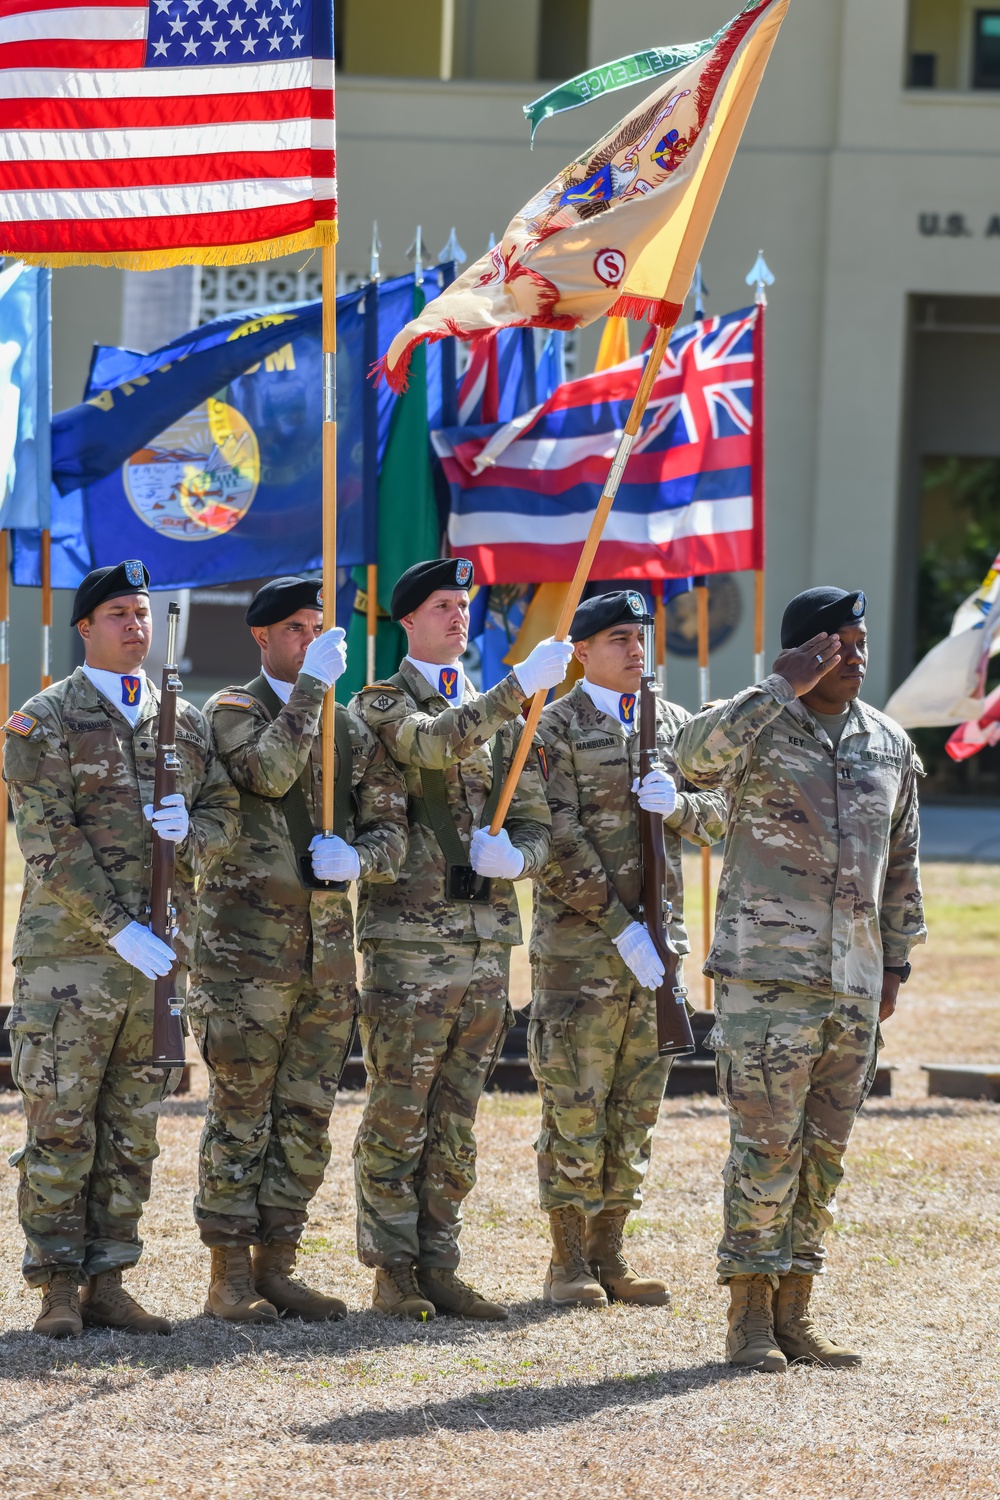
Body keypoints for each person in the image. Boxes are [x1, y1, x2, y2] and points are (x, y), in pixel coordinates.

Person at [673, 586, 926, 1372]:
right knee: (764, 1147)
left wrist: (895, 960)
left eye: (858, 643)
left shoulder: (888, 743)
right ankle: (748, 1314)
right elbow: (689, 761)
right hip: (767, 979)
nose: (852, 657)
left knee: (824, 1153)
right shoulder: (756, 725)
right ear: (800, 652)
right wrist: (779, 685)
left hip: (852, 981)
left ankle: (795, 1311)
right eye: (835, 644)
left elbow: (903, 864)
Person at [2, 561, 240, 1339]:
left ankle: (110, 1277)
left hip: (158, 961)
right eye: (118, 615)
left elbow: (223, 813)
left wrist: (193, 835)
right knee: (63, 1121)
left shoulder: (187, 722)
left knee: (132, 1125)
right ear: (86, 629)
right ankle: (57, 1286)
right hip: (71, 959)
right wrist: (116, 925)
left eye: (142, 613)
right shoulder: (45, 721)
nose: (135, 626)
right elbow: (47, 839)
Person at [351, 557, 572, 1322]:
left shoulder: (502, 712)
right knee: (399, 1113)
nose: (458, 617)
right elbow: (433, 745)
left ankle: (440, 1261)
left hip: (484, 946)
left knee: (457, 1118)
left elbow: (539, 821)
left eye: (464, 605)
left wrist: (519, 856)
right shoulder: (382, 702)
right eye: (442, 605)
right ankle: (392, 1271)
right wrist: (518, 686)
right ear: (407, 619)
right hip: (410, 948)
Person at [189, 576, 408, 1324]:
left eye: (319, 629)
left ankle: (279, 1261)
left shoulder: (347, 728)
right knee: (241, 1114)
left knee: (306, 1116)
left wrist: (359, 857)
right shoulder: (232, 710)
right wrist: (310, 688)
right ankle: (227, 1273)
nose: (312, 641)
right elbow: (266, 772)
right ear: (262, 638)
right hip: (243, 958)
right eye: (296, 631)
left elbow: (391, 826)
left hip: (327, 958)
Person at [529, 591, 728, 1309]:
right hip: (582, 954)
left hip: (658, 956)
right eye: (619, 637)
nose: (637, 648)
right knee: (576, 1104)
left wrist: (678, 804)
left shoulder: (673, 726)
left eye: (641, 635)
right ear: (581, 650)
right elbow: (553, 837)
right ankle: (568, 1261)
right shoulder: (552, 726)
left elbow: (721, 814)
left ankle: (611, 1252)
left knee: (636, 1106)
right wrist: (619, 924)